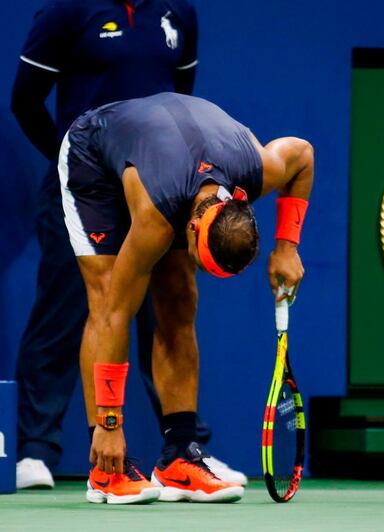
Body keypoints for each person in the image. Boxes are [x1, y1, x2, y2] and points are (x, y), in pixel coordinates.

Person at [11, 0, 246, 487]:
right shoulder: (66, 11)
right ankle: (36, 449)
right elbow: (25, 99)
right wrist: (71, 165)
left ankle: (184, 449)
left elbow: (179, 98)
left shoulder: (179, 12)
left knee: (170, 310)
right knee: (72, 310)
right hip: (84, 181)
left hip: (161, 186)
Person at [60, 92, 312, 503]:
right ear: (191, 229)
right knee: (109, 297)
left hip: (173, 155)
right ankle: (105, 469)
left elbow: (302, 155)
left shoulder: (257, 170)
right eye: (200, 257)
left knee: (180, 296)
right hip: (95, 153)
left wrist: (286, 246)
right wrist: (110, 423)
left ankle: (180, 457)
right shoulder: (158, 220)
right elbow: (113, 318)